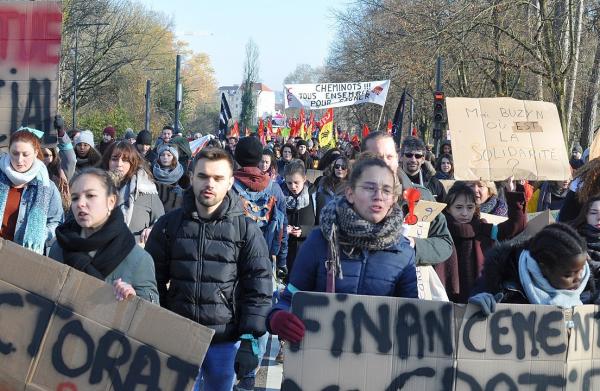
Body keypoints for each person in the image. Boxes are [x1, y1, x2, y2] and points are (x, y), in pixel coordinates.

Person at [145, 147, 272, 391]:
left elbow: (259, 287)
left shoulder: (246, 230)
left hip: (224, 341)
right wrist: (158, 324)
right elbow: (152, 281)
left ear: (230, 182)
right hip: (178, 339)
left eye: (218, 178)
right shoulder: (168, 225)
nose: (209, 184)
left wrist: (250, 339)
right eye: (203, 176)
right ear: (192, 178)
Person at [267, 155, 418, 344]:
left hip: (379, 363)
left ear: (394, 199)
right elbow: (290, 299)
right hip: (323, 359)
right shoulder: (320, 240)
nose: (378, 195)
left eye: (386, 190)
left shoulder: (403, 252)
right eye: (369, 187)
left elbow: (412, 320)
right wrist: (277, 318)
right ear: (350, 193)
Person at [49, 168, 159, 302]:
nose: (80, 204)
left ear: (111, 201)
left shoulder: (138, 259)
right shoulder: (59, 246)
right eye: (75, 198)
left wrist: (133, 299)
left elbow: (150, 316)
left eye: (90, 196)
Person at [363, 131, 453, 267]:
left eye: (389, 156)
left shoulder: (423, 196)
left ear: (396, 157)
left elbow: (444, 242)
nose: (383, 162)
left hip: (408, 279)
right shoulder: (347, 198)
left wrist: (415, 245)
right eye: (375, 157)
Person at [469, 223, 597, 314]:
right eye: (569, 274)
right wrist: (478, 302)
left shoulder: (591, 283)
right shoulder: (500, 280)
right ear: (544, 269)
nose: (579, 279)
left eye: (581, 270)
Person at [435, 181, 526, 303]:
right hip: (445, 303)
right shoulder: (439, 230)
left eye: (470, 207)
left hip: (481, 301)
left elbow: (515, 226)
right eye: (458, 207)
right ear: (449, 209)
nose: (465, 213)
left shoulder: (483, 229)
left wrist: (513, 193)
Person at [0, 129, 63, 254]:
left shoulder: (47, 187)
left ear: (35, 153)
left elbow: (56, 223)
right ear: (8, 152)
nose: (19, 160)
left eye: (25, 154)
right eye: (15, 153)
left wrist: (39, 234)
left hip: (25, 257)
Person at [101, 141, 164, 244]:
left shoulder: (147, 190)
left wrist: (152, 229)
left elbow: (162, 220)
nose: (119, 164)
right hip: (100, 253)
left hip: (135, 253)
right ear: (107, 161)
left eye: (125, 160)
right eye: (114, 159)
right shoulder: (95, 188)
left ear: (133, 163)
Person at [280, 159, 316, 280]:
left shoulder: (315, 196)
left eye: (296, 182)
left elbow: (324, 227)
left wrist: (304, 231)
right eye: (289, 183)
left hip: (308, 254)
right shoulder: (279, 196)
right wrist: (284, 229)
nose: (293, 187)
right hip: (284, 254)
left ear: (304, 179)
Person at [400, 136, 446, 202]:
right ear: (401, 157)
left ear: (423, 159)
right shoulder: (391, 182)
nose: (413, 160)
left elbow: (445, 210)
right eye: (409, 155)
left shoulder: (434, 184)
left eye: (418, 156)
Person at [153, 144, 189, 212]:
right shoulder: (151, 173)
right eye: (162, 155)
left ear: (174, 157)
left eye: (169, 155)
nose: (165, 157)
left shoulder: (183, 177)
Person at [315, 155, 348, 223]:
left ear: (348, 169)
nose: (340, 169)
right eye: (337, 166)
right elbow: (317, 201)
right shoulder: (324, 181)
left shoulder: (351, 187)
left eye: (343, 167)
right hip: (321, 219)